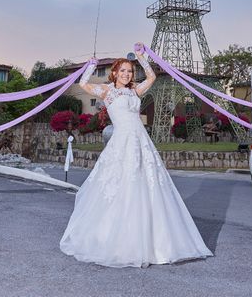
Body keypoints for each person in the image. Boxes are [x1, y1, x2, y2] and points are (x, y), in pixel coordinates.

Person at [60, 43, 212, 267]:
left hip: (141, 140)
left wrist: (142, 57)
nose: (126, 74)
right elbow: (83, 84)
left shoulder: (135, 90)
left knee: (147, 183)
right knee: (120, 183)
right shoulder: (107, 91)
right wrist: (90, 66)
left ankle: (155, 243)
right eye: (122, 70)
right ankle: (116, 240)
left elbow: (151, 77)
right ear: (114, 73)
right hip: (122, 141)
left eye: (129, 71)